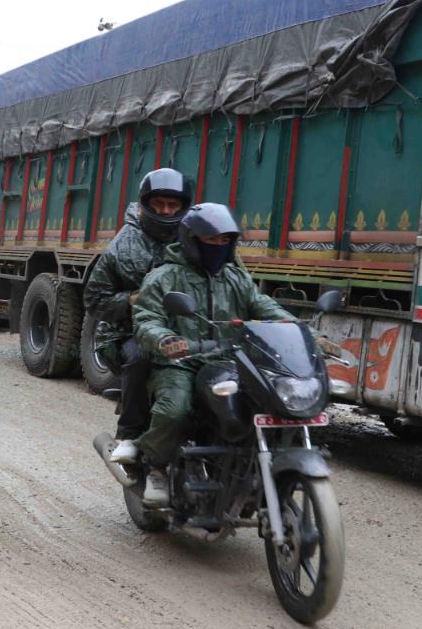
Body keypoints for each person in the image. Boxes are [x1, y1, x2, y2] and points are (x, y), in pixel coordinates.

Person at [131, 203, 333, 506]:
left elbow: (268, 310)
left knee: (266, 401)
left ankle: (252, 465)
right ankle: (155, 466)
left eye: (224, 241)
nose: (218, 247)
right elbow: (147, 319)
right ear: (191, 240)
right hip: (181, 362)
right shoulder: (165, 277)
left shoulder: (236, 279)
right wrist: (167, 339)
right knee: (176, 409)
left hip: (229, 361)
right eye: (211, 240)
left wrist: (310, 336)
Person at [83, 168, 193, 462]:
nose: (166, 210)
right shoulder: (121, 247)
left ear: (184, 206)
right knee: (140, 355)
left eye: (173, 205)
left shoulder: (195, 239)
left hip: (186, 328)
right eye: (160, 204)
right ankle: (129, 434)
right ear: (146, 203)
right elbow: (94, 300)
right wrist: (130, 300)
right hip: (125, 332)